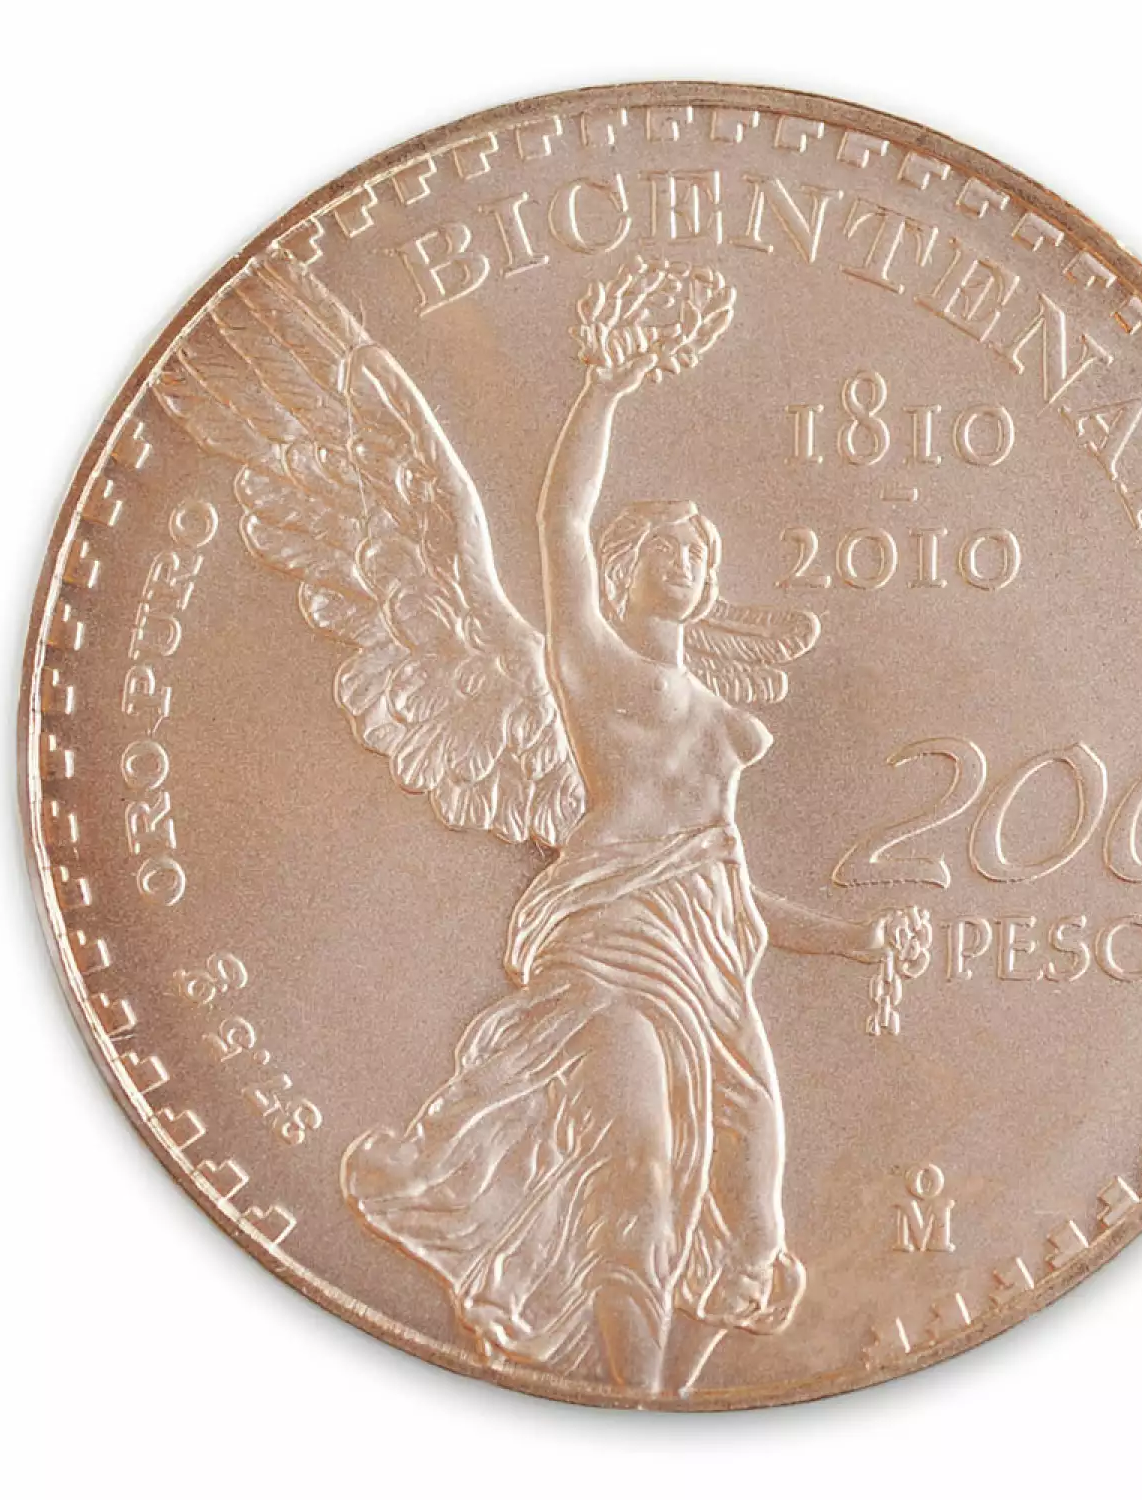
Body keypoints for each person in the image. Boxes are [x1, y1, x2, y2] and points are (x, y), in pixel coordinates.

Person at [342, 343, 895, 1398]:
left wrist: (851, 937)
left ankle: (665, 1399)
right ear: (624, 568)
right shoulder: (593, 668)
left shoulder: (722, 716)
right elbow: (558, 523)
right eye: (664, 548)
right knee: (638, 1172)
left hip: (714, 963)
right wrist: (602, 386)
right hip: (612, 948)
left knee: (750, 1226)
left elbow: (724, 880)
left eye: (698, 551)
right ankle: (630, 1400)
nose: (685, 561)